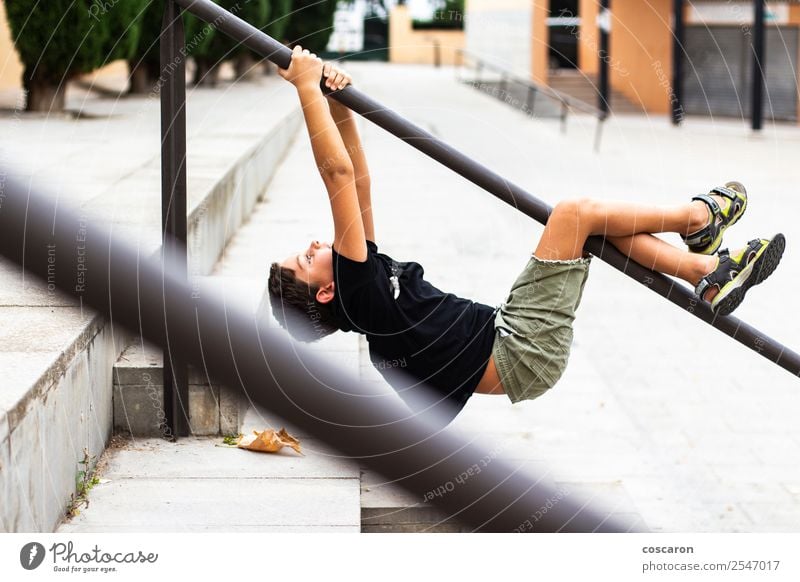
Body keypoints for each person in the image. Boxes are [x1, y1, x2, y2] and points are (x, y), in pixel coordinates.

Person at [268, 45, 786, 421]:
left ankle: (706, 269)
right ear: (326, 289)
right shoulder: (361, 298)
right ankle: (698, 217)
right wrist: (305, 88)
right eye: (304, 258)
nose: (314, 246)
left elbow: (358, 180)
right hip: (519, 350)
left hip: (513, 341)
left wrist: (340, 103)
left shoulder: (365, 288)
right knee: (573, 214)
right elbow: (335, 176)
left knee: (592, 226)